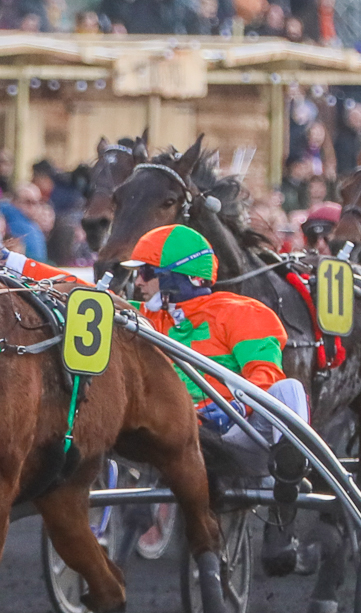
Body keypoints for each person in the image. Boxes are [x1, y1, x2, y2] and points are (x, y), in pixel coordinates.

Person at [120, 224, 311, 577]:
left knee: (290, 390)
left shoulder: (242, 312)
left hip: (239, 434)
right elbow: (78, 293)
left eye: (146, 272)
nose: (138, 282)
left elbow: (265, 373)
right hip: (177, 435)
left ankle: (288, 480)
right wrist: (15, 263)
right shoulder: (142, 317)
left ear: (179, 278)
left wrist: (237, 405)